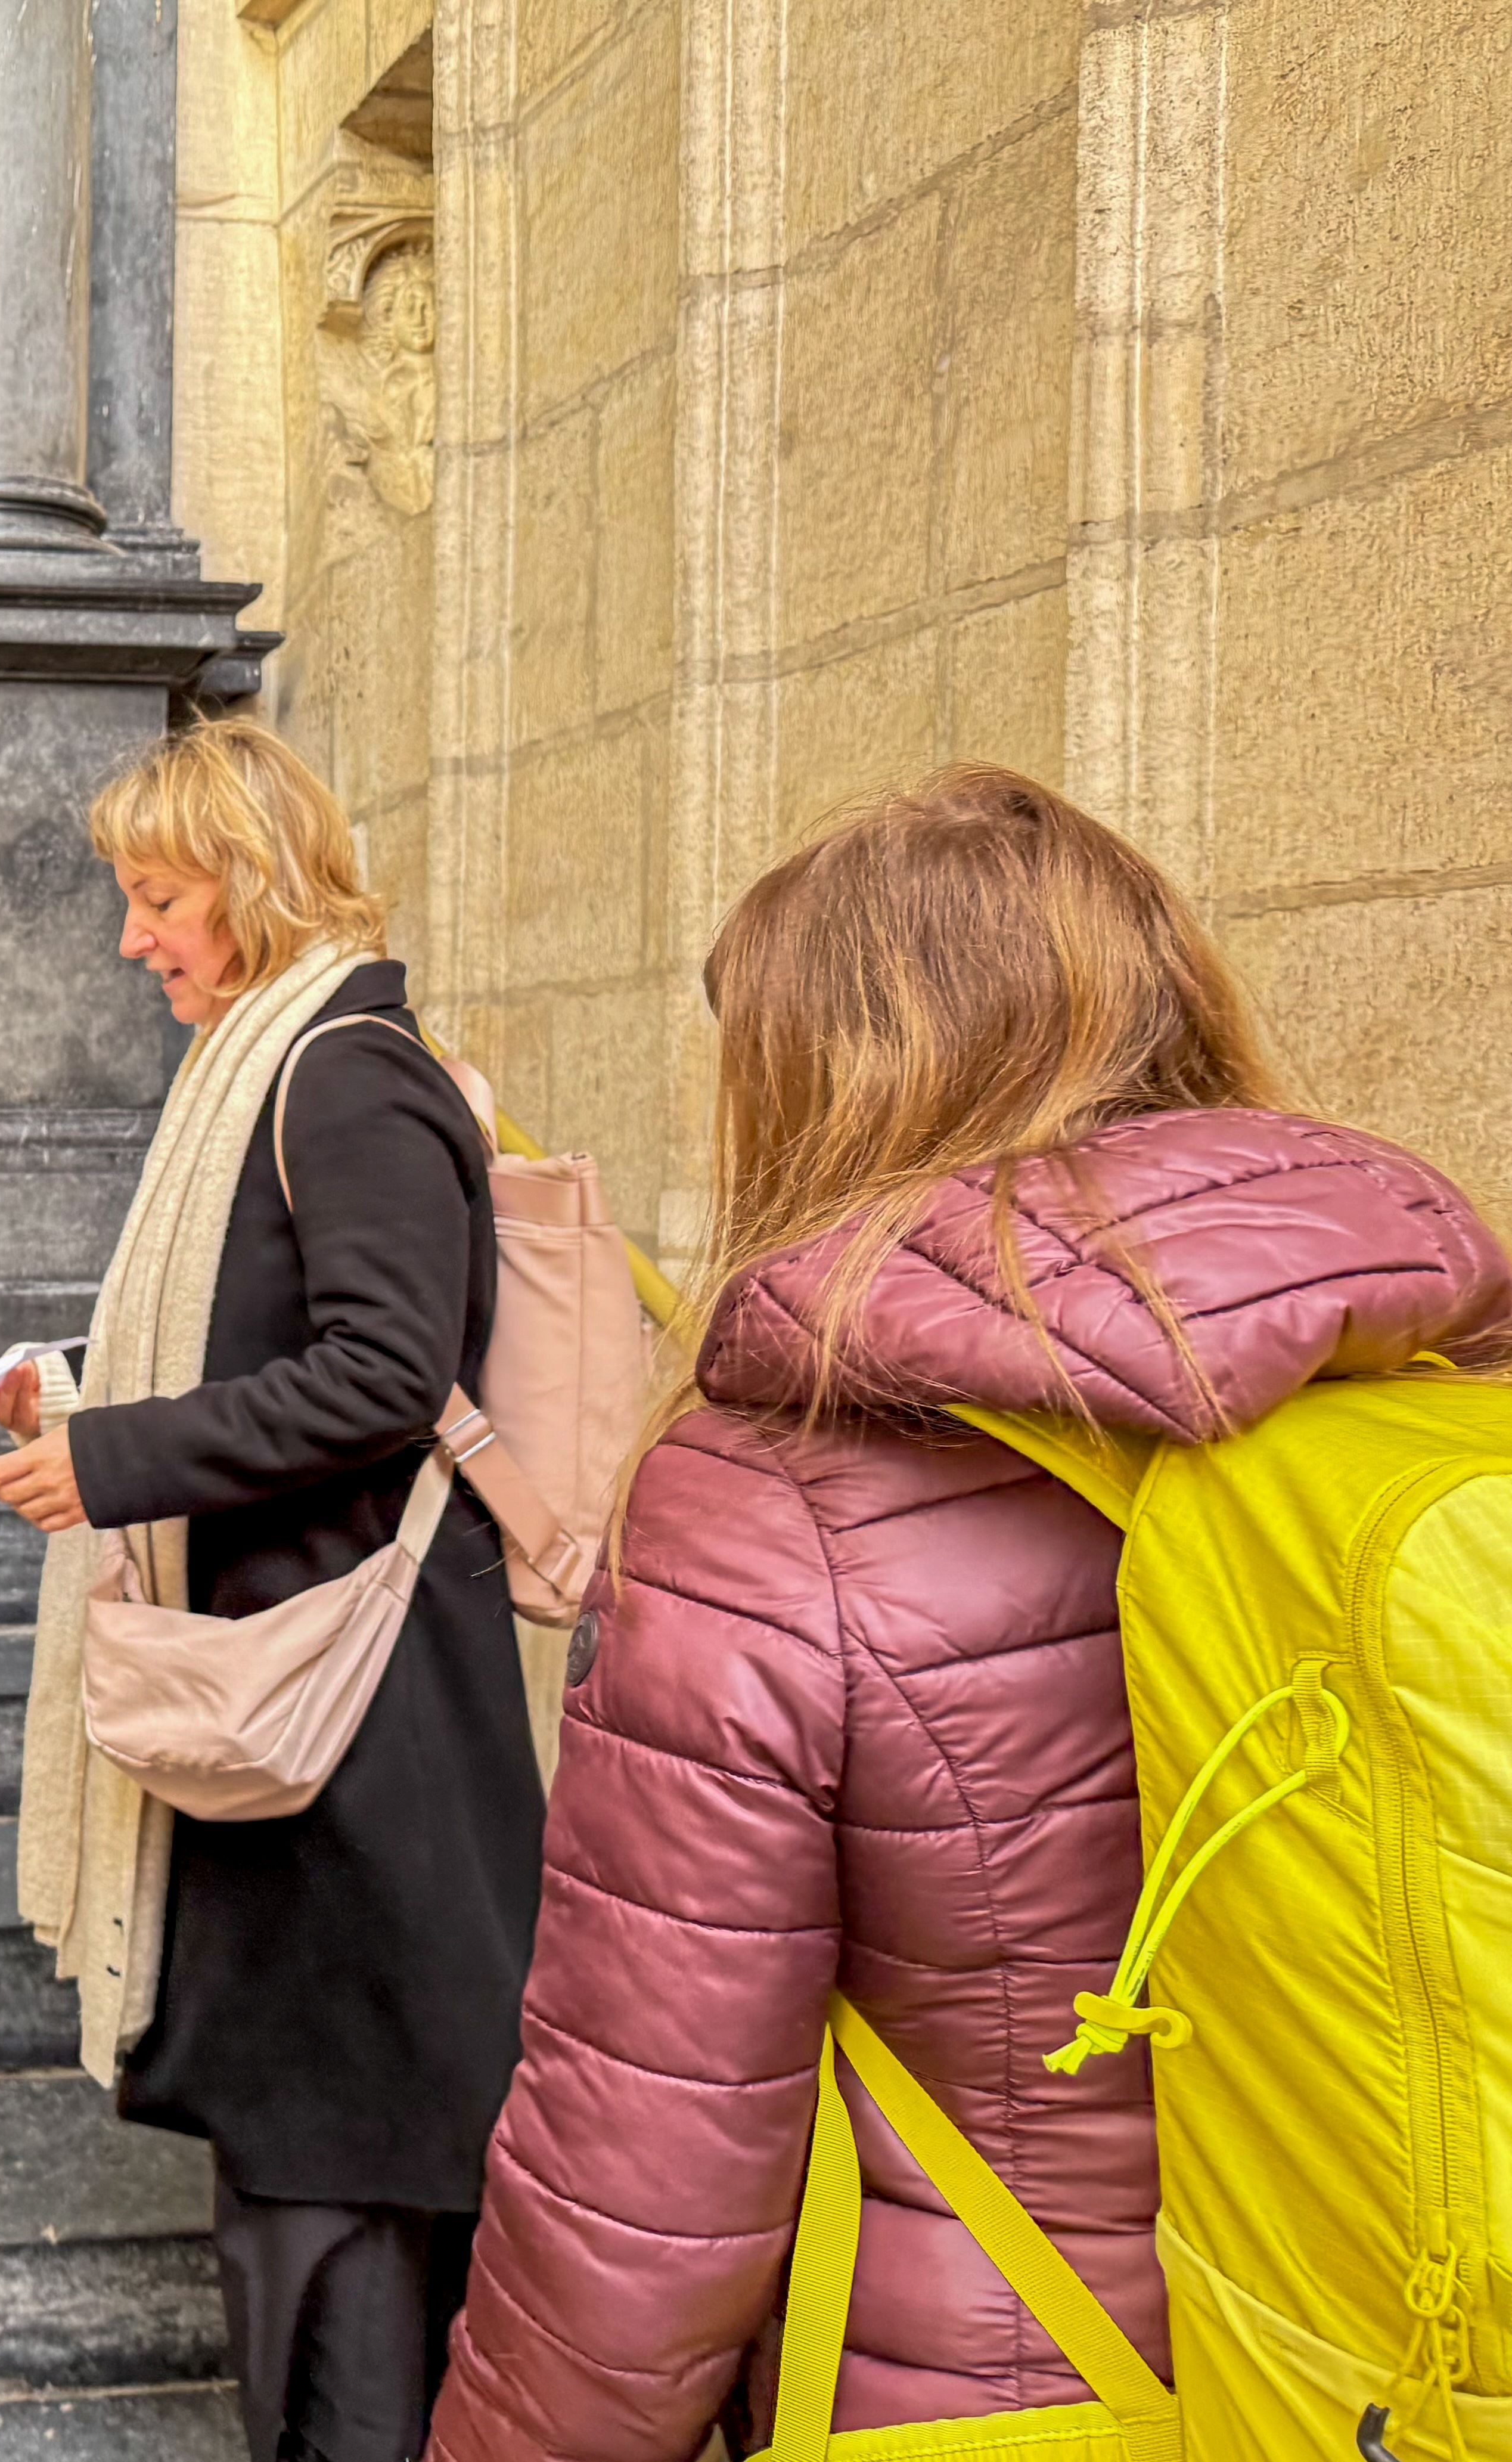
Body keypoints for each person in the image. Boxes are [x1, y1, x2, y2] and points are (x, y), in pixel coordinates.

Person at [427, 767, 1512, 2462]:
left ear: (821, 1082)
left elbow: (637, 2166)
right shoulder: (1430, 1366)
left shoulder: (760, 1501)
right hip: (1359, 2379)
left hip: (994, 2397)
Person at [0, 718, 543, 2462]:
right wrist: (74, 1398)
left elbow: (381, 1373)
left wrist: (117, 1460)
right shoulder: (283, 1063)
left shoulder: (343, 1074)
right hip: (297, 1718)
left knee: (342, 2205)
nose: (133, 936)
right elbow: (269, 1345)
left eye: (160, 896)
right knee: (310, 2185)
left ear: (255, 883)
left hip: (354, 1736)